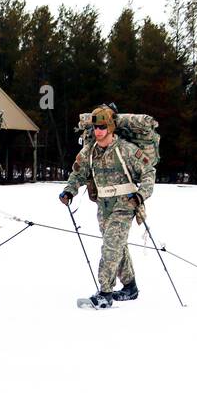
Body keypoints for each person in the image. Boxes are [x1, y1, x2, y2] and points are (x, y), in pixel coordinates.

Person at [59, 106, 155, 306]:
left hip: (125, 203)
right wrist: (70, 190)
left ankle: (105, 292)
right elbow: (78, 173)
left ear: (110, 128)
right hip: (103, 205)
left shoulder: (126, 149)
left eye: (102, 127)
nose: (98, 131)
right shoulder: (90, 151)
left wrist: (140, 195)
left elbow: (148, 172)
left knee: (111, 247)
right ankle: (130, 287)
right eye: (95, 127)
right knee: (118, 246)